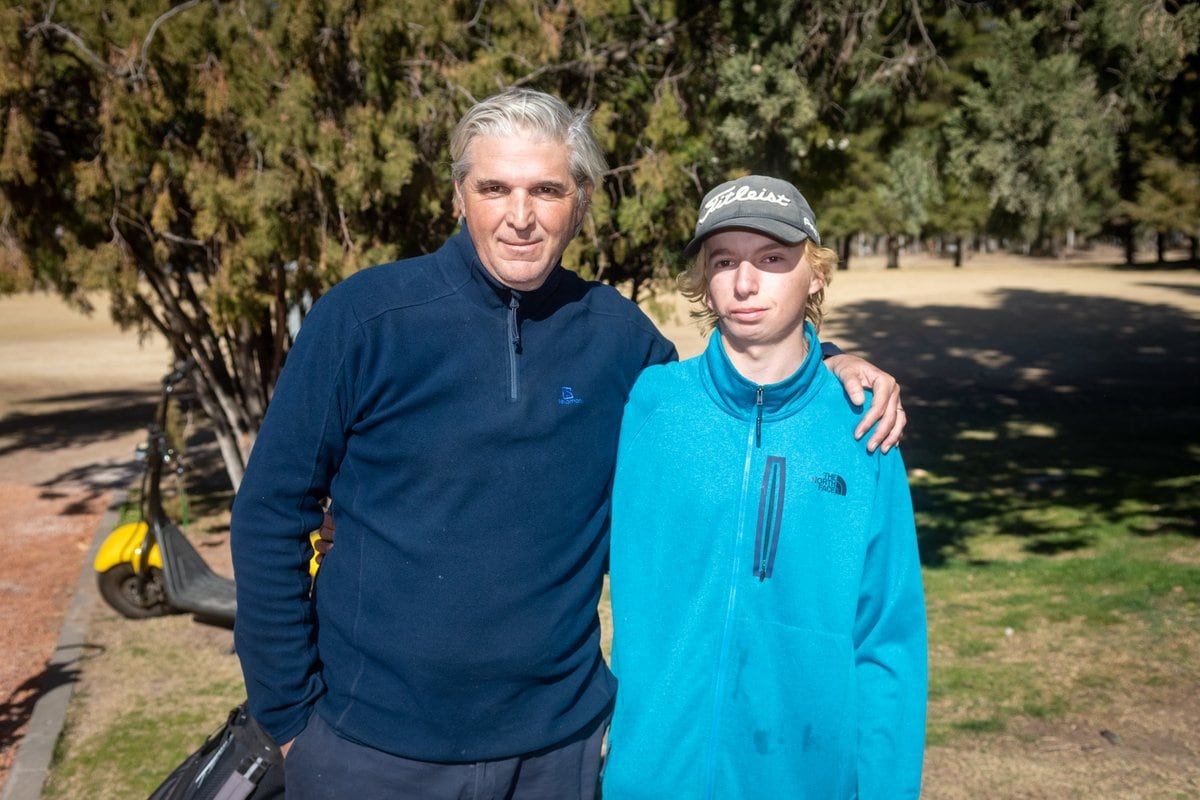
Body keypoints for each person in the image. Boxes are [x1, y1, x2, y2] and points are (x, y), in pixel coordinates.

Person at [230, 90, 906, 799]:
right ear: (460, 196)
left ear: (579, 201)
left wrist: (828, 364)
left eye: (546, 190)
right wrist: (289, 713)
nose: (520, 216)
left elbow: (722, 395)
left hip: (560, 753)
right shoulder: (366, 320)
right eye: (495, 188)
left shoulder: (620, 340)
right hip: (371, 749)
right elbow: (274, 513)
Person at [603, 176, 927, 799]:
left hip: (802, 774)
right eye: (725, 261)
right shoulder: (653, 406)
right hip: (653, 774)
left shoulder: (862, 425)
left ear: (817, 275)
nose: (745, 283)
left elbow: (888, 642)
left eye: (773, 260)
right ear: (704, 277)